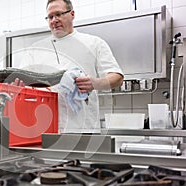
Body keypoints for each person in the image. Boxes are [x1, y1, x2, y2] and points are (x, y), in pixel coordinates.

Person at [15, 0, 124, 133]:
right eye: (50, 17)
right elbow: (23, 82)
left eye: (59, 14)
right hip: (45, 128)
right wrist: (19, 88)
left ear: (72, 14)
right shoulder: (35, 49)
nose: (54, 20)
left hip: (83, 128)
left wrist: (95, 83)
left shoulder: (94, 43)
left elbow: (117, 77)